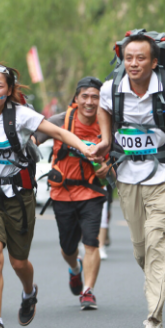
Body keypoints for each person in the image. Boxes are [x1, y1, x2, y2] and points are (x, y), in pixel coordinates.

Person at [0, 63, 97, 328]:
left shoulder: (21, 116)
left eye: (0, 86)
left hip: (19, 197)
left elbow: (58, 133)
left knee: (19, 263)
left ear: (9, 90)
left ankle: (29, 292)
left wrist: (85, 147)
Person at [91, 33, 165, 328]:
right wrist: (104, 139)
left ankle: (154, 319)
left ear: (154, 62)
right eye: (129, 58)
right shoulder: (110, 90)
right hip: (128, 180)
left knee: (156, 243)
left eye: (141, 58)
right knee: (142, 251)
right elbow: (103, 109)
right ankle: (156, 280)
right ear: (122, 60)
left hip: (164, 178)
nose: (134, 64)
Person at [34, 76, 110, 310]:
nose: (89, 102)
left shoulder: (106, 123)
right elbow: (34, 138)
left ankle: (88, 291)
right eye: (84, 96)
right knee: (68, 248)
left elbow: (118, 153)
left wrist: (110, 167)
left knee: (91, 243)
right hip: (62, 193)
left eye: (95, 97)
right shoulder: (60, 120)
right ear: (76, 98)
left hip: (93, 192)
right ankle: (75, 268)